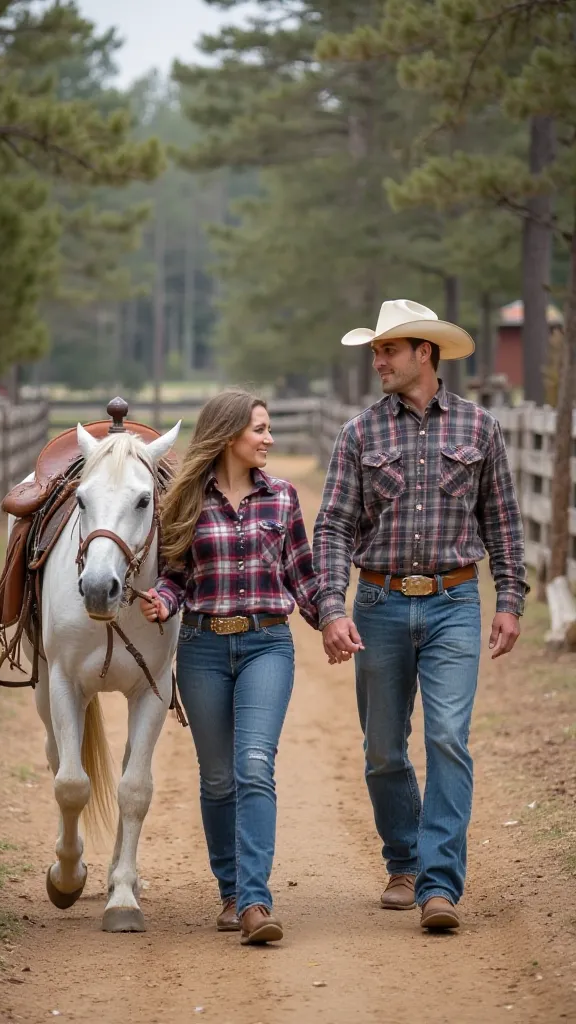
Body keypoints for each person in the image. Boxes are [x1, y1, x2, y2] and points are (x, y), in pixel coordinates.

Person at [313, 299, 529, 931]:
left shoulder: (479, 428)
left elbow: (504, 523)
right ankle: (403, 860)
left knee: (447, 739)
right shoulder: (358, 434)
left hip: (455, 602)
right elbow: (330, 529)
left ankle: (439, 884)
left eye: (388, 350)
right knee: (383, 750)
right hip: (378, 603)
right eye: (375, 350)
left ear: (424, 353)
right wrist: (331, 607)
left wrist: (510, 599)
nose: (377, 361)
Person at [140, 388, 319, 945]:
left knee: (253, 766)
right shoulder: (186, 501)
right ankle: (228, 890)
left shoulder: (283, 498)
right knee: (218, 779)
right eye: (259, 429)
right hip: (203, 649)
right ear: (228, 435)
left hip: (268, 644)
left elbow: (302, 576)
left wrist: (331, 620)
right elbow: (175, 575)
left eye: (268, 428)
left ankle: (254, 902)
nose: (269, 439)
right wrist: (164, 602)